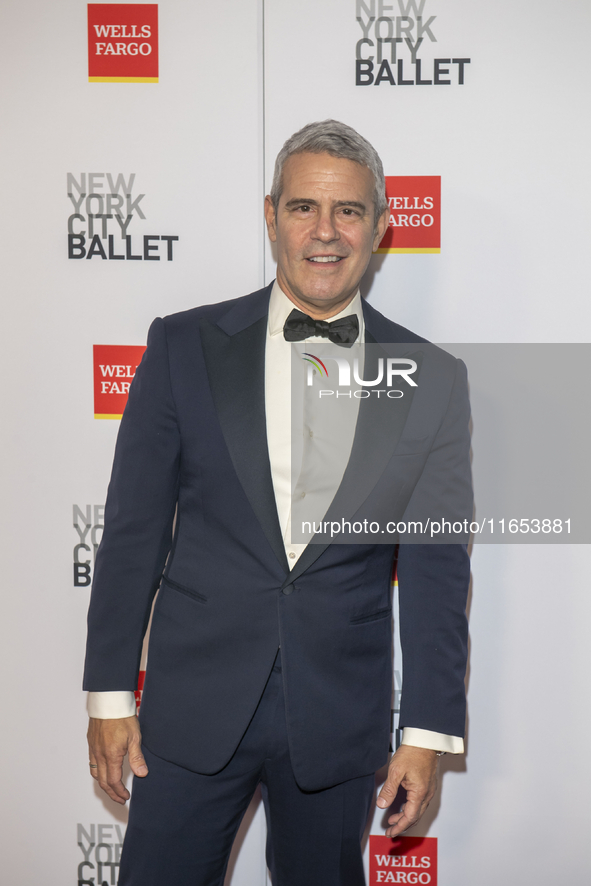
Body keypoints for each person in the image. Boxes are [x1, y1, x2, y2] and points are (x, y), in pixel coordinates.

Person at [84, 120, 471, 886]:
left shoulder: (433, 378)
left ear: (381, 226)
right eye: (302, 208)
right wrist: (106, 696)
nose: (324, 233)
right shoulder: (182, 346)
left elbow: (435, 573)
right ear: (270, 216)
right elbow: (131, 534)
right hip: (190, 713)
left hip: (338, 720)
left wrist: (424, 732)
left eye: (349, 211)